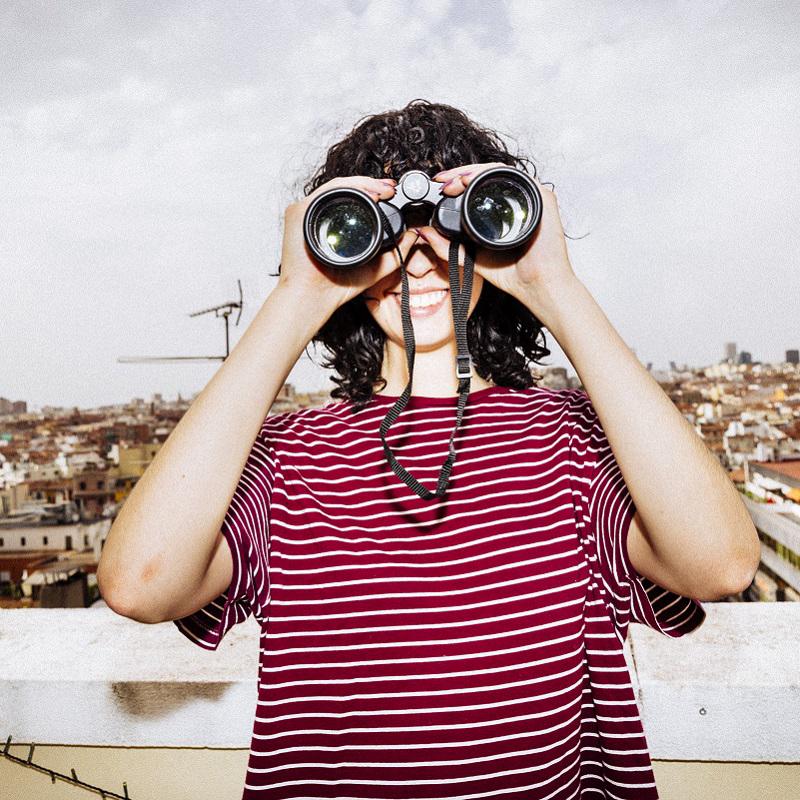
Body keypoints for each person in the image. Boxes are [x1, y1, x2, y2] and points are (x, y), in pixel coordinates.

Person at [97, 99, 761, 800]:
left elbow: (719, 564)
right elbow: (141, 585)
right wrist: (296, 297)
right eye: (378, 235)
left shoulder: (574, 445)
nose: (418, 261)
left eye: (452, 225)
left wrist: (553, 285)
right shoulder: (285, 460)